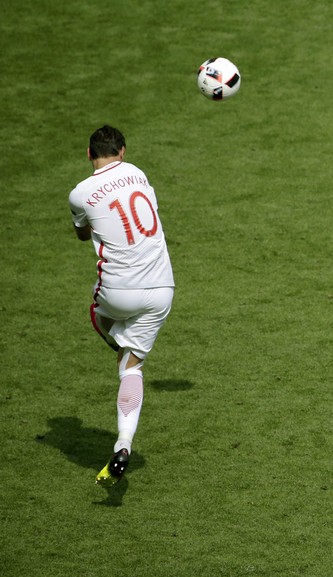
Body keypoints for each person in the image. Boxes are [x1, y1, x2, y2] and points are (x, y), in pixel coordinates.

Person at [68, 125, 174, 486]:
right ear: (123, 151)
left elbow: (83, 233)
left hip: (118, 292)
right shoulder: (138, 174)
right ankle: (123, 443)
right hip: (162, 288)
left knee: (96, 315)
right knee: (132, 368)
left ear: (88, 154)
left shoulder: (80, 193)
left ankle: (120, 343)